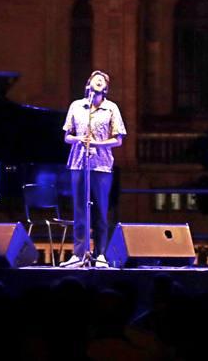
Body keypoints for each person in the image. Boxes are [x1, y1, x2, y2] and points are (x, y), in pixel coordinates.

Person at [61, 70, 127, 268]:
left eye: (102, 80)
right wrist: (79, 139)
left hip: (102, 166)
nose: (98, 81)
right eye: (95, 79)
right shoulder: (76, 106)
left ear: (105, 88)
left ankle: (100, 255)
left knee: (100, 211)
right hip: (78, 163)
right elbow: (66, 136)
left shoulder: (111, 108)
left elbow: (119, 139)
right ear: (89, 83)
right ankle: (79, 253)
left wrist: (98, 144)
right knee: (80, 210)